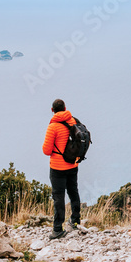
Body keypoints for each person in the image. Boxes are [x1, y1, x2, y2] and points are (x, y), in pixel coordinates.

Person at [42, 98, 81, 239]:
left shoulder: (53, 126)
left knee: (58, 197)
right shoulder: (73, 121)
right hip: (72, 164)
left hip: (58, 167)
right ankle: (75, 221)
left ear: (52, 110)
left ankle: (58, 229)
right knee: (73, 192)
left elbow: (46, 150)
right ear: (65, 108)